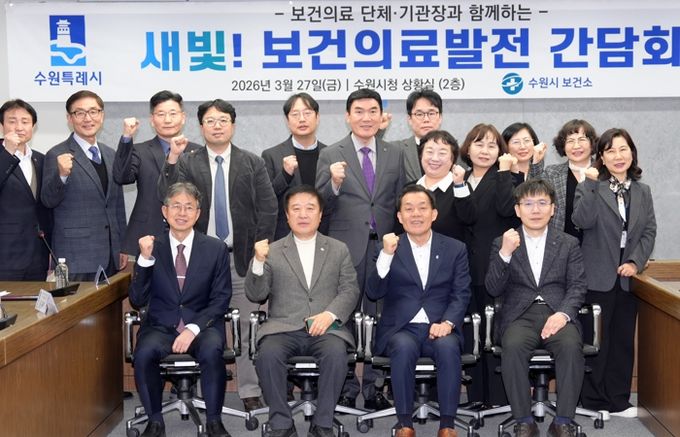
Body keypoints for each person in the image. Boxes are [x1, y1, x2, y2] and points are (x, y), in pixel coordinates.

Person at [158, 98, 277, 411]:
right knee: (194, 322)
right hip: (199, 262)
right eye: (210, 121)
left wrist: (259, 250)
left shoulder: (252, 162)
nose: (217, 126)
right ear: (201, 127)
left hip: (242, 260)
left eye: (223, 120)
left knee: (248, 325)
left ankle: (249, 389)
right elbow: (169, 199)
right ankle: (194, 390)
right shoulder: (189, 162)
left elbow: (268, 209)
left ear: (233, 125)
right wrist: (172, 159)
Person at [245, 185, 360, 437]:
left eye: (310, 208)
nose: (303, 214)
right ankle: (282, 424)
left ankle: (322, 423)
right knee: (267, 355)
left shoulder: (338, 249)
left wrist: (329, 315)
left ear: (320, 215)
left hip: (327, 328)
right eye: (296, 209)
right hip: (283, 328)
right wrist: (258, 262)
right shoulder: (272, 251)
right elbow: (256, 294)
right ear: (287, 216)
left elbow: (350, 289)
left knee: (336, 354)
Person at [316, 88, 405, 410]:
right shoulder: (331, 154)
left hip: (384, 247)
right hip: (344, 247)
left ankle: (374, 386)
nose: (366, 118)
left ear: (381, 116)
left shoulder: (394, 152)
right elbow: (319, 204)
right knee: (345, 315)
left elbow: (400, 200)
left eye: (372, 111)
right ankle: (346, 385)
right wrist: (334, 183)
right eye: (359, 111)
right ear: (347, 116)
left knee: (380, 315)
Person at [366, 185, 471, 437]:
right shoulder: (387, 248)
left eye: (422, 208)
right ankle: (405, 424)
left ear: (434, 214)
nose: (416, 214)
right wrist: (386, 255)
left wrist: (448, 322)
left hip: (440, 326)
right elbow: (373, 291)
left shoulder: (455, 248)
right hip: (402, 328)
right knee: (403, 347)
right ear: (400, 217)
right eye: (409, 209)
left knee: (448, 347)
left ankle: (447, 425)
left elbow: (461, 293)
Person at [485, 179, 587, 437]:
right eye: (528, 203)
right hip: (519, 316)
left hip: (557, 313)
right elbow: (493, 288)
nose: (536, 210)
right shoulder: (503, 242)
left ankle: (563, 421)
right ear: (518, 210)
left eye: (542, 203)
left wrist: (563, 314)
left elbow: (577, 286)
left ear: (553, 209)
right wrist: (505, 253)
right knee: (513, 346)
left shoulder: (568, 243)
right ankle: (524, 420)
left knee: (570, 347)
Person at [129, 182, 232, 437]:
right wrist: (144, 259)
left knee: (212, 350)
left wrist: (193, 329)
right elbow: (137, 298)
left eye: (189, 207)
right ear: (165, 211)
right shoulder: (152, 247)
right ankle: (155, 421)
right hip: (161, 326)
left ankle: (214, 421)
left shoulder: (215, 248)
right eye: (176, 206)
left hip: (202, 325)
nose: (182, 213)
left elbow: (221, 299)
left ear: (198, 214)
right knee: (144, 353)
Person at [573, 128, 656, 418]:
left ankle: (618, 400)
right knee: (597, 342)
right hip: (596, 277)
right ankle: (592, 401)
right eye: (610, 151)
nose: (618, 156)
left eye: (623, 149)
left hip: (627, 279)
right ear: (602, 157)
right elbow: (581, 220)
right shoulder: (590, 185)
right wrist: (590, 184)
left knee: (622, 341)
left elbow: (648, 231)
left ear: (632, 152)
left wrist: (635, 262)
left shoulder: (642, 191)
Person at [459, 123, 521, 407]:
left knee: (494, 332)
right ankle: (476, 398)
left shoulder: (507, 177)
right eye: (479, 143)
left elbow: (508, 209)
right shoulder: (459, 178)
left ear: (500, 151)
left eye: (492, 145)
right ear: (468, 148)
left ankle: (498, 399)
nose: (484, 151)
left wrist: (506, 173)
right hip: (463, 268)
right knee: (472, 332)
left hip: (495, 266)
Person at [41, 90, 127, 281]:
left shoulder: (110, 154)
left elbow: (117, 205)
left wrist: (122, 245)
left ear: (101, 116)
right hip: (75, 255)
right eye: (80, 113)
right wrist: (61, 175)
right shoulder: (56, 154)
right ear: (69, 118)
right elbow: (48, 200)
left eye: (93, 111)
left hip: (110, 254)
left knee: (109, 302)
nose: (88, 118)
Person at [113, 90, 201, 256]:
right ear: (152, 120)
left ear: (183, 118)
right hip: (147, 234)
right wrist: (126, 137)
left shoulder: (198, 152)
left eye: (173, 113)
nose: (167, 120)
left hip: (190, 234)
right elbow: (121, 177)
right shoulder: (140, 150)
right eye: (161, 114)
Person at [261, 93, 327, 240]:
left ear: (317, 117)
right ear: (287, 120)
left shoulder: (330, 154)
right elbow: (266, 200)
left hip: (324, 235)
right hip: (285, 237)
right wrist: (285, 175)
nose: (302, 119)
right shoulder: (271, 155)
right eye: (295, 114)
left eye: (307, 113)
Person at [0, 99, 52, 280]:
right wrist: (8, 153)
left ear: (33, 126)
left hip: (38, 256)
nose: (19, 127)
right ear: (2, 126)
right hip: (5, 256)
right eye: (12, 121)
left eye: (25, 121)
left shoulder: (41, 159)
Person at [531, 119, 598, 242]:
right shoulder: (552, 173)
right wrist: (536, 163)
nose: (576, 146)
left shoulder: (604, 173)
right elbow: (532, 195)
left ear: (592, 144)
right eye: (570, 141)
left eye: (582, 139)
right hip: (560, 245)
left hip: (597, 246)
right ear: (563, 146)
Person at [413, 129, 474, 242]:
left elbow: (469, 218)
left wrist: (459, 185)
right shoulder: (410, 188)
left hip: (450, 252)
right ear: (421, 155)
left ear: (453, 159)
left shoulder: (461, 188)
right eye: (429, 152)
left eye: (442, 153)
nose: (435, 158)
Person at [399, 89, 444, 182]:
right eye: (419, 114)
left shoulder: (454, 151)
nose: (426, 119)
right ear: (409, 119)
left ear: (440, 117)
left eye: (431, 113)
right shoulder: (397, 150)